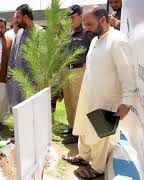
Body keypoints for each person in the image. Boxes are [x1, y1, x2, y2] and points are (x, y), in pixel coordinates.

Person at [62, 6, 136, 179]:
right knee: (85, 128)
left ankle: (97, 167)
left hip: (107, 99)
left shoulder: (118, 41)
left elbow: (127, 75)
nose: (86, 28)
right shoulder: (95, 39)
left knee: (101, 135)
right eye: (85, 24)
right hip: (90, 95)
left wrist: (126, 103)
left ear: (103, 20)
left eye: (89, 24)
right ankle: (84, 156)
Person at [61, 4, 93, 145]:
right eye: (68, 18)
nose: (70, 20)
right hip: (65, 70)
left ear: (81, 15)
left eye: (72, 17)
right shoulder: (67, 33)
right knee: (68, 101)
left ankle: (79, 132)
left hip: (79, 70)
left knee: (77, 101)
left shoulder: (87, 32)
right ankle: (71, 126)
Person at [8, 4, 43, 107]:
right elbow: (13, 55)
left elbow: (43, 58)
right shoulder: (19, 33)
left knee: (29, 109)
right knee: (16, 108)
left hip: (32, 82)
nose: (16, 21)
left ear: (26, 17)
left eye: (18, 17)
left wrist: (39, 79)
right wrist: (10, 74)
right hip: (16, 80)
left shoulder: (40, 32)